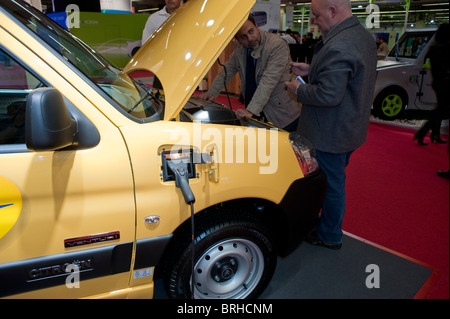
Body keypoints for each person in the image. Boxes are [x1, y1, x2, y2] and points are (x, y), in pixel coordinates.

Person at [285, 0, 377, 249]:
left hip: (331, 132)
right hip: (350, 126)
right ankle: (326, 227)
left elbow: (328, 95)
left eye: (316, 16)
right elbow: (346, 75)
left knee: (332, 184)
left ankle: (329, 235)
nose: (314, 21)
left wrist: (298, 90)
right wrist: (311, 70)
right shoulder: (361, 35)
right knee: (333, 180)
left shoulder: (340, 44)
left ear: (333, 11)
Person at [199, 15, 301, 132]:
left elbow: (268, 81)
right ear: (237, 39)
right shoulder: (240, 48)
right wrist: (211, 92)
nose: (250, 38)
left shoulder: (277, 45)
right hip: (257, 112)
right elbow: (227, 71)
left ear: (256, 26)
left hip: (283, 114)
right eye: (243, 37)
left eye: (251, 31)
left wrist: (251, 110)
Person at [414, 23, 449, 147]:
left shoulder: (434, 47)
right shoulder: (444, 47)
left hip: (438, 82)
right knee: (440, 111)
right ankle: (424, 132)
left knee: (440, 110)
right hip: (444, 83)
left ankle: (432, 134)